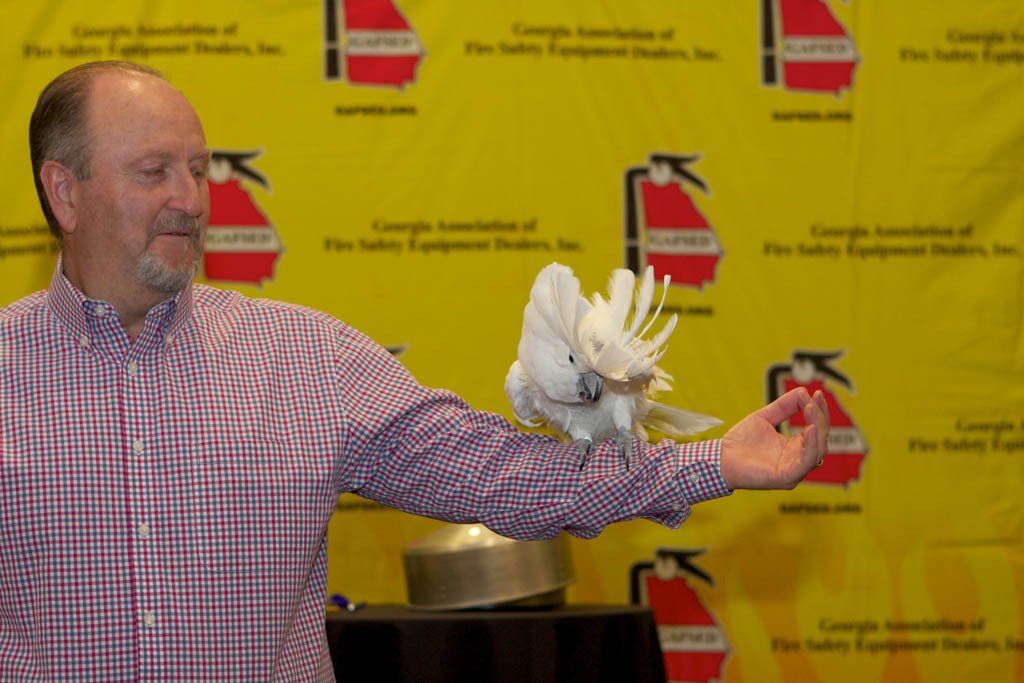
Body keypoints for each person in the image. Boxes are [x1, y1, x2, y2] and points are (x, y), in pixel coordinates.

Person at [0, 61, 829, 681]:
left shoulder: (304, 360)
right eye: (154, 172)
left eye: (198, 168)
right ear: (63, 192)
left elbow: (497, 473)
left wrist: (713, 460)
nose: (189, 196)